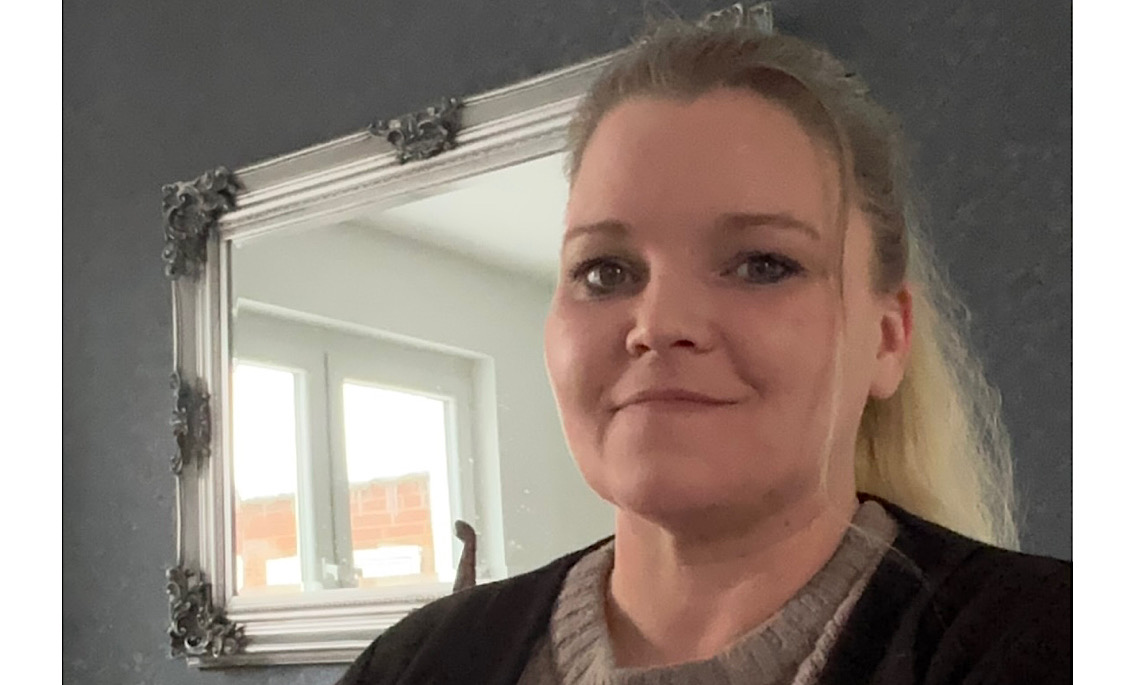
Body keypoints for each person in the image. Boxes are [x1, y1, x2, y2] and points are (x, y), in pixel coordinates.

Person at [337, 18, 1071, 685]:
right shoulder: (419, 664)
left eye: (762, 264)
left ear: (887, 338)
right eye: (605, 271)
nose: (659, 324)